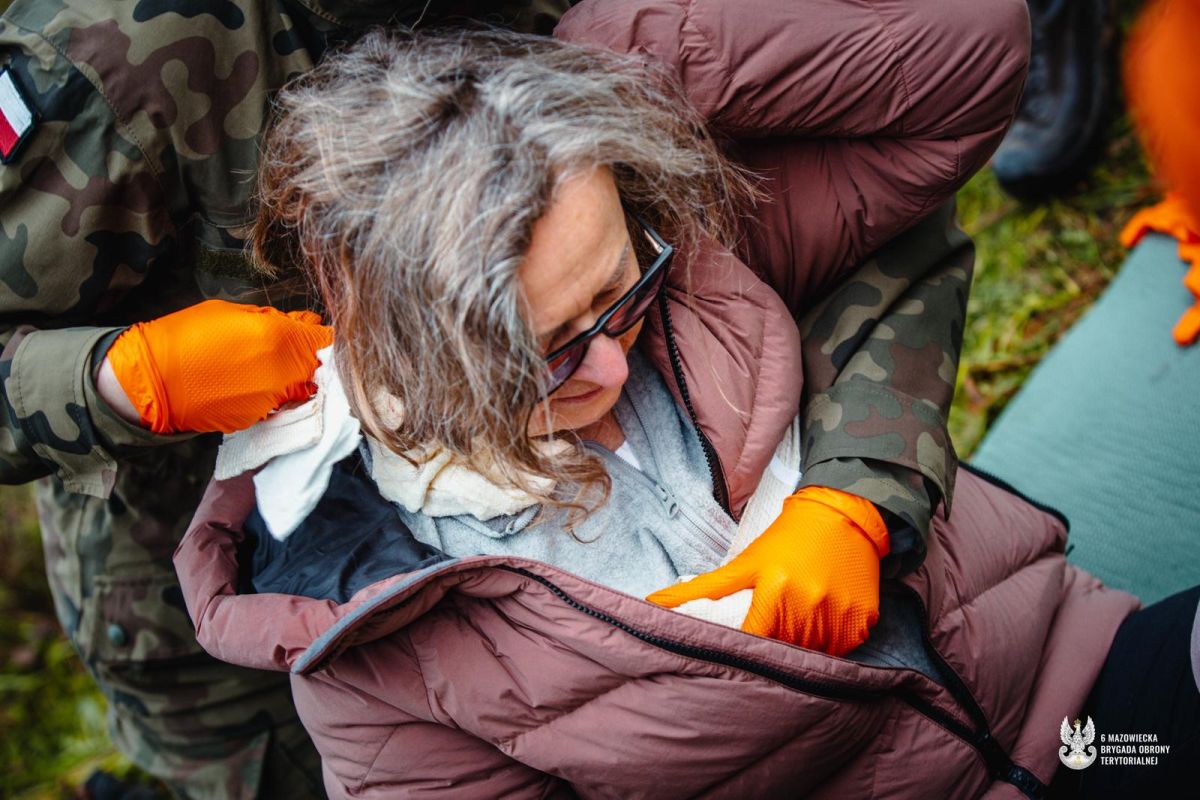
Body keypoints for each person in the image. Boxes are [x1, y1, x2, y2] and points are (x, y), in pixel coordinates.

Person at [172, 11, 1160, 797]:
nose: (610, 367)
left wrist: (855, 496)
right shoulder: (372, 647)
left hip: (1084, 704)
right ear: (404, 359)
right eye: (542, 357)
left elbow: (969, 53)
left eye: (620, 292)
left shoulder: (699, 249)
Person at [0, 0, 568, 796]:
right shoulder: (108, 52)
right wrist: (125, 380)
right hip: (227, 605)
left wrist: (817, 483)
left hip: (533, 527)